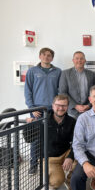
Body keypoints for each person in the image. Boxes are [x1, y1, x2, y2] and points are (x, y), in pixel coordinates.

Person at [24, 94, 76, 190]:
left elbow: (76, 142)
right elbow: (28, 139)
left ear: (68, 107)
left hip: (65, 153)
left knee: (81, 155)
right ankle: (56, 175)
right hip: (49, 157)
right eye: (58, 105)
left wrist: (70, 157)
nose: (61, 108)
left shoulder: (72, 121)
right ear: (52, 106)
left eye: (64, 105)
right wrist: (28, 126)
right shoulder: (42, 120)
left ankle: (70, 182)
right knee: (56, 182)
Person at [24, 47, 61, 175]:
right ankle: (33, 164)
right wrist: (32, 108)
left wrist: (58, 108)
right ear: (40, 56)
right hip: (37, 110)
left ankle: (48, 163)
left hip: (53, 110)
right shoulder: (32, 71)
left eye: (49, 55)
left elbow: (59, 90)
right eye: (44, 55)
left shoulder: (58, 71)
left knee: (52, 137)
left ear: (52, 58)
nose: (47, 57)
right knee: (36, 139)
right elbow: (27, 90)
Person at [59, 51, 95, 118]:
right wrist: (75, 106)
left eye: (81, 58)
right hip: (72, 111)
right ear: (73, 60)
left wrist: (89, 105)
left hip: (88, 110)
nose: (79, 60)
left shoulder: (91, 74)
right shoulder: (65, 73)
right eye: (77, 58)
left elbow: (94, 92)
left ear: (85, 60)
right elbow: (62, 92)